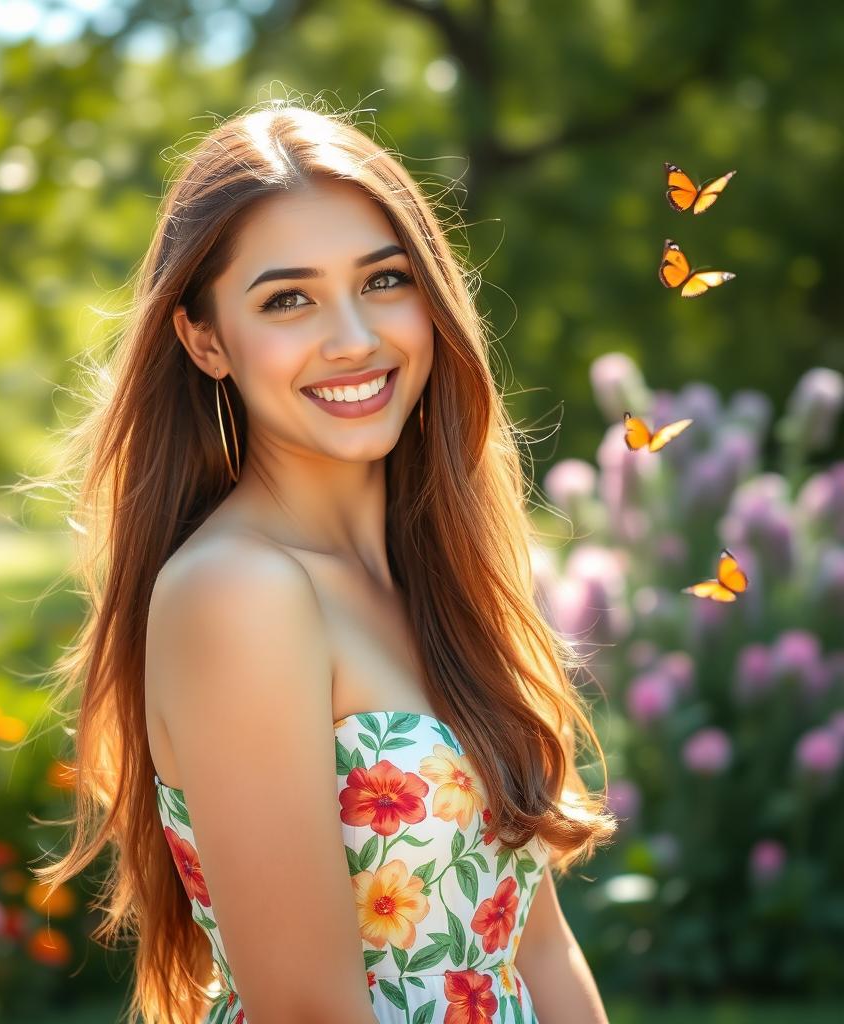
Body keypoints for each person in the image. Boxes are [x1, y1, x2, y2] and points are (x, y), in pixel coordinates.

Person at [31, 98, 616, 1024]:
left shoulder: (439, 578)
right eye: (288, 299)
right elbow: (309, 1011)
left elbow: (535, 944)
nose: (354, 336)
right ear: (206, 340)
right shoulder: (240, 593)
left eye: (384, 281)